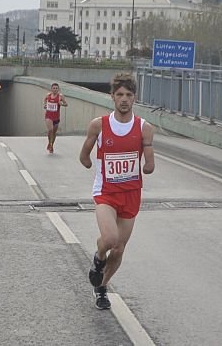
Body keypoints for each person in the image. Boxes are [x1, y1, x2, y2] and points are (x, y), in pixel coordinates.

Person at [80, 72, 155, 311]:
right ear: (112, 97)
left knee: (120, 247)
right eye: (120, 94)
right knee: (110, 239)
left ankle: (101, 287)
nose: (124, 99)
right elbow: (84, 154)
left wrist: (148, 164)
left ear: (134, 98)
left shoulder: (144, 128)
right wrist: (88, 162)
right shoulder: (99, 125)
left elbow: (150, 161)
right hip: (106, 193)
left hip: (131, 194)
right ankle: (99, 256)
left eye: (129, 95)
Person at [42, 83, 68, 153]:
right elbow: (45, 100)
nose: (55, 89)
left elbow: (66, 104)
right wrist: (45, 105)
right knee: (50, 130)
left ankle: (51, 145)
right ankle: (49, 143)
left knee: (54, 132)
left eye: (56, 88)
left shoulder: (60, 96)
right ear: (51, 89)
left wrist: (61, 104)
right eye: (54, 88)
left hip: (56, 117)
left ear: (58, 89)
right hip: (48, 116)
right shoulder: (48, 95)